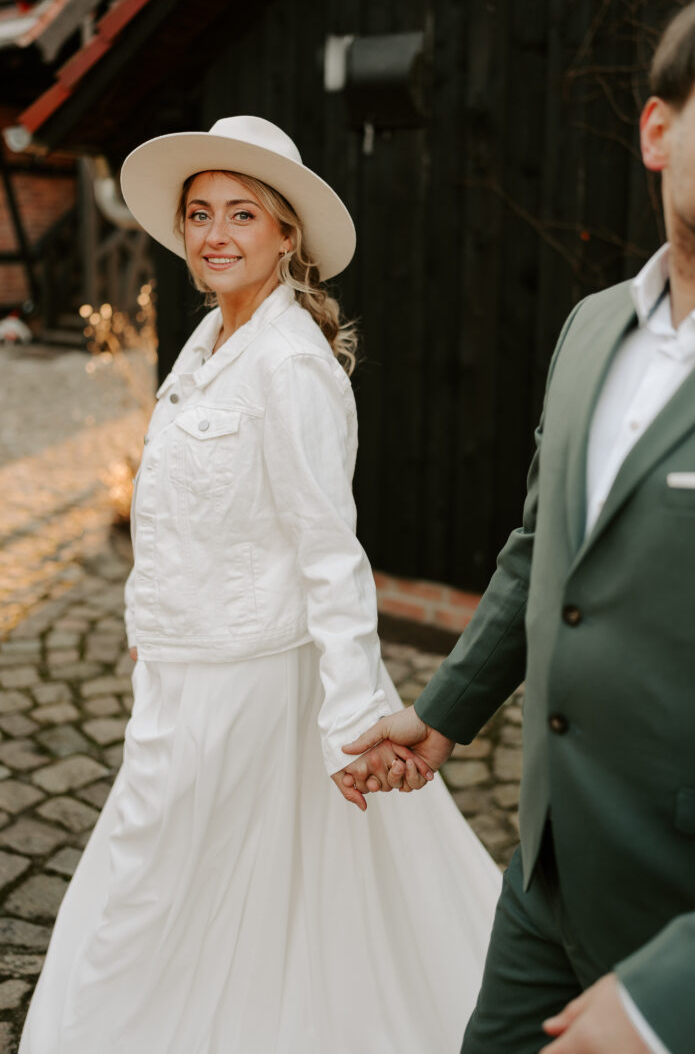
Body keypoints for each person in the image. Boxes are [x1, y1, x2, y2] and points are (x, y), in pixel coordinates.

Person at [342, 0, 695, 1054]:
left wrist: (681, 997)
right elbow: (546, 552)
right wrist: (444, 711)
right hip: (546, 878)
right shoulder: (590, 330)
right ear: (658, 131)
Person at [19, 116, 501, 1054]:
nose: (215, 234)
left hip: (250, 684)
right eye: (200, 213)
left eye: (242, 213)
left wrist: (352, 715)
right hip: (183, 672)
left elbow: (329, 551)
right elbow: (180, 516)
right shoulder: (205, 344)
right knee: (197, 880)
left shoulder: (291, 365)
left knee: (163, 882)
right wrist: (152, 626)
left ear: (287, 234)